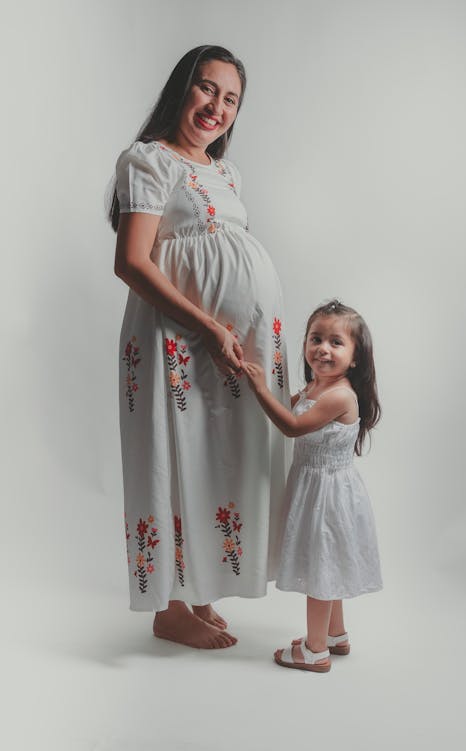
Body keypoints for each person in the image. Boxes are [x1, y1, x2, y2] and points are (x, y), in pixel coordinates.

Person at [109, 45, 289, 649]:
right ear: (182, 88)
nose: (217, 106)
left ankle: (201, 590)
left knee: (219, 455)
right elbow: (132, 262)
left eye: (231, 98)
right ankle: (169, 608)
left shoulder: (226, 172)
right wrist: (210, 326)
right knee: (173, 453)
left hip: (231, 346)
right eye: (207, 89)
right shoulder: (148, 160)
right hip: (173, 339)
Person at [243, 299, 382, 672]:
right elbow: (289, 407)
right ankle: (336, 634)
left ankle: (315, 650)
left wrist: (259, 388)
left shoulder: (338, 395)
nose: (323, 348)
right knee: (328, 564)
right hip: (315, 488)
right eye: (316, 338)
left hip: (329, 496)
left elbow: (290, 425)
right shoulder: (313, 388)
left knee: (320, 568)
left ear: (355, 357)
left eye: (336, 342)